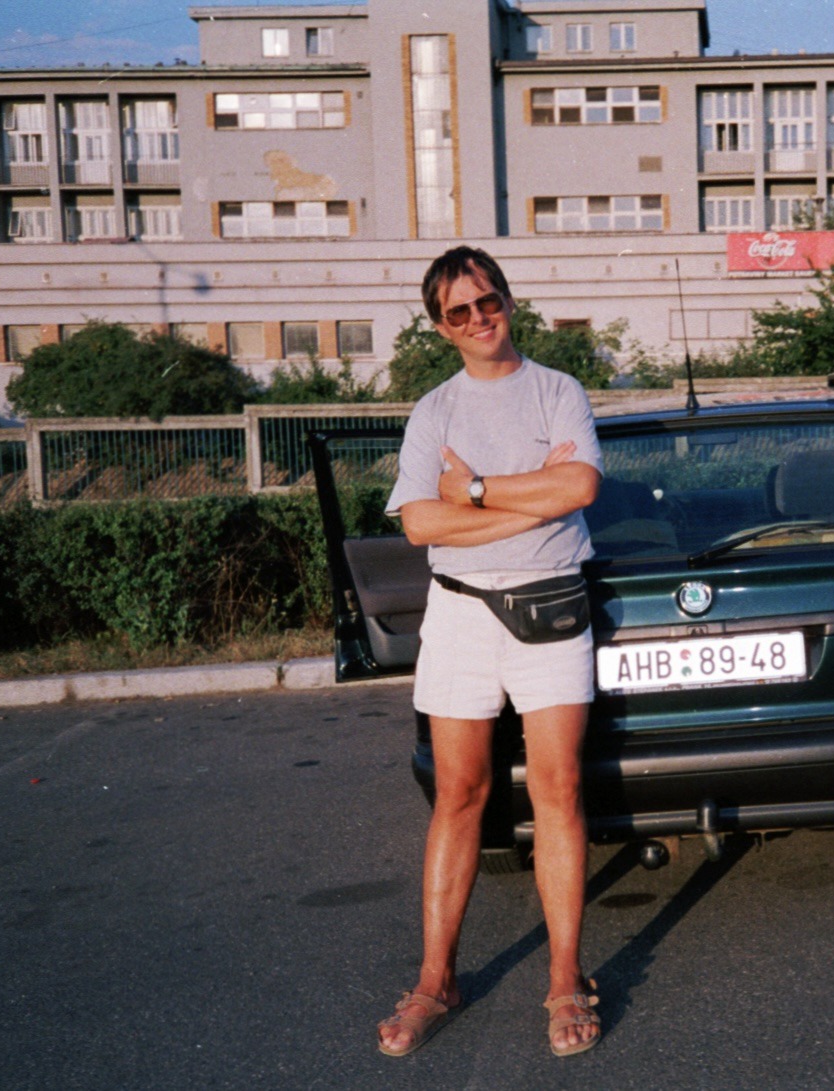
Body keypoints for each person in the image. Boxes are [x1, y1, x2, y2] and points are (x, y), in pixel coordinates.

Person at [376, 246, 604, 1059]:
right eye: (459, 312)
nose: (479, 319)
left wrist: (472, 491)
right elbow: (417, 524)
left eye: (487, 301)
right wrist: (524, 505)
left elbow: (577, 491)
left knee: (557, 790)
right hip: (462, 618)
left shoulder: (557, 391)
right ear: (440, 328)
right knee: (459, 795)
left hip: (550, 613)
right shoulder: (433, 412)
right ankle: (437, 978)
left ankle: (565, 977)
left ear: (509, 299)